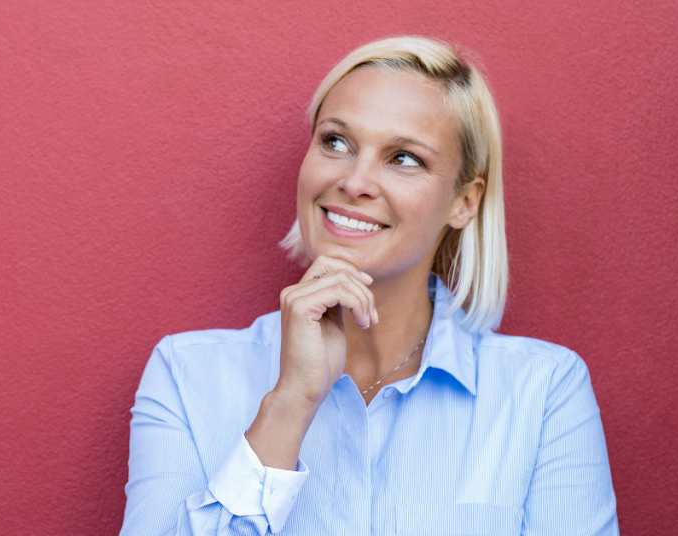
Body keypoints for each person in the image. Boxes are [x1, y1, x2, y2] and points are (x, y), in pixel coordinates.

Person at [121, 36, 618, 535]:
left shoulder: (545, 391)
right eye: (335, 142)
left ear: (464, 202)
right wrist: (290, 403)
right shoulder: (186, 376)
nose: (355, 181)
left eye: (404, 158)